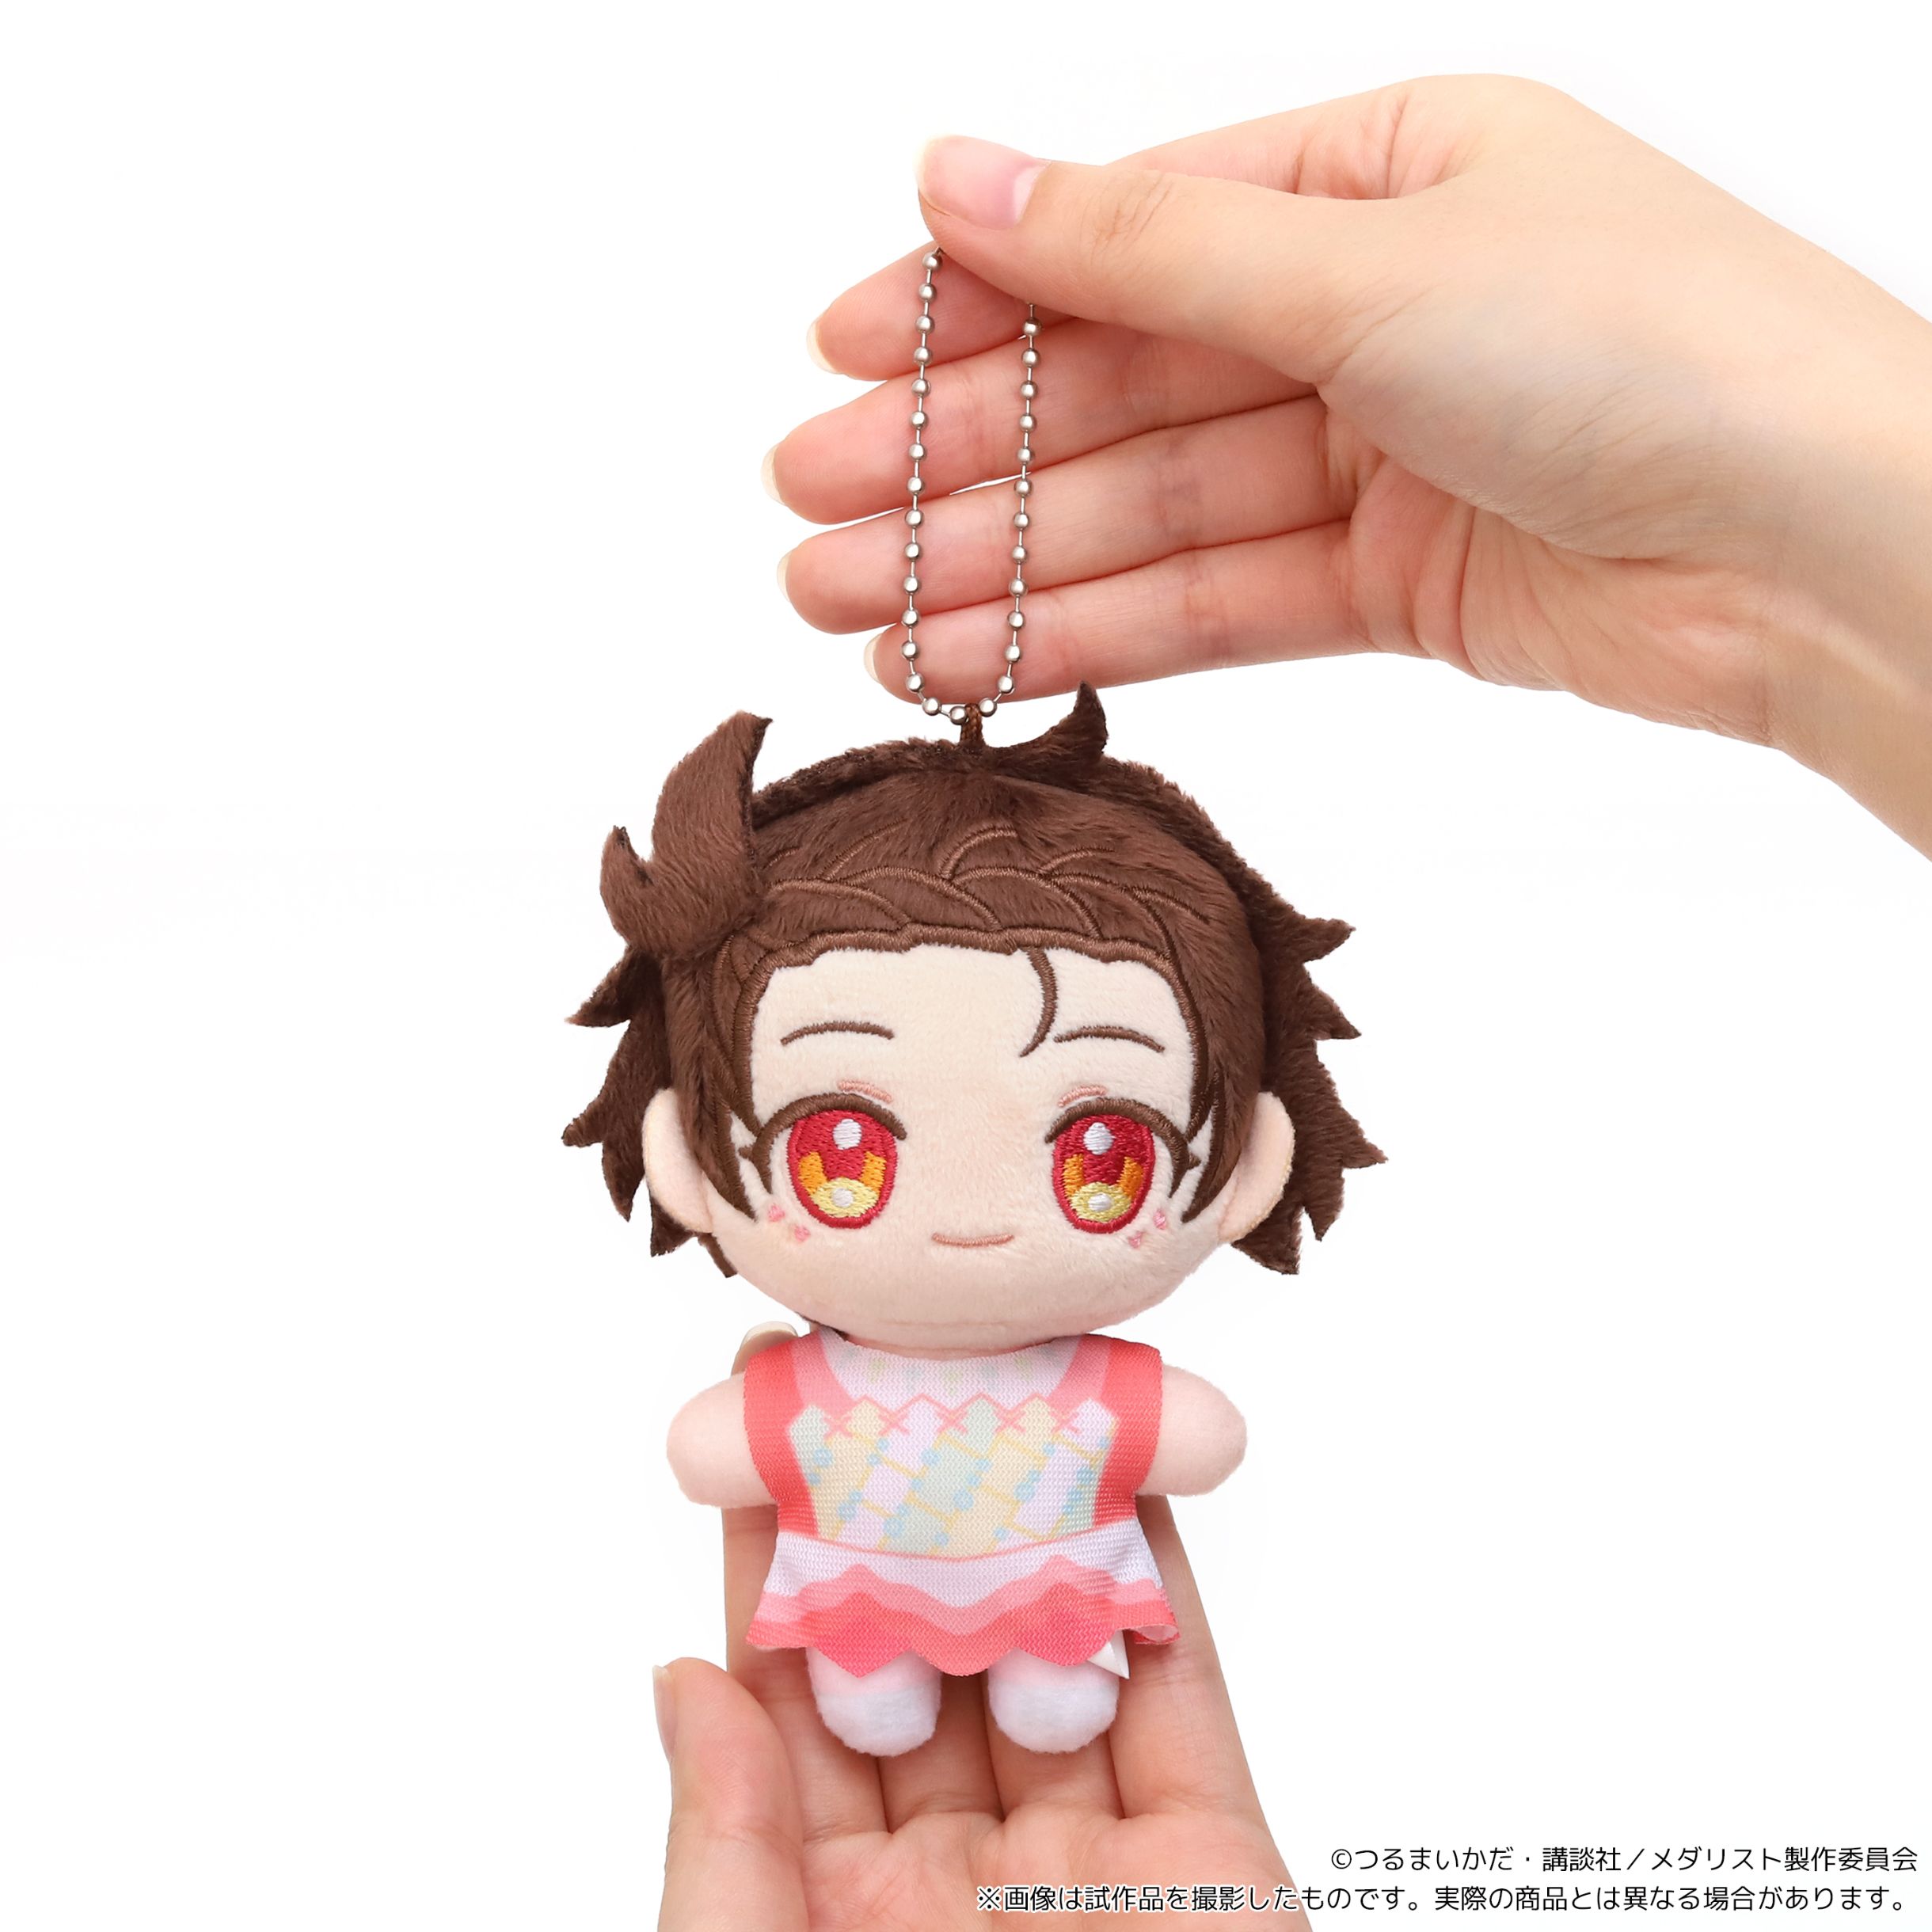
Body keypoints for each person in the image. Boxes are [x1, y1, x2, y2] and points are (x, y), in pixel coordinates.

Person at [660, 77, 1932, 1929]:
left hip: (1052, 1618)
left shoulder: (1017, 1391)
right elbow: (1117, 1440)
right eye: (842, 1145)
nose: (966, 1219)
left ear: (1236, 1161)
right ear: (691, 1159)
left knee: (1032, 1683)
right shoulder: (919, 1390)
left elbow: (800, 1446)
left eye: (1099, 1154)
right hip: (868, 1612)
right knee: (867, 1688)